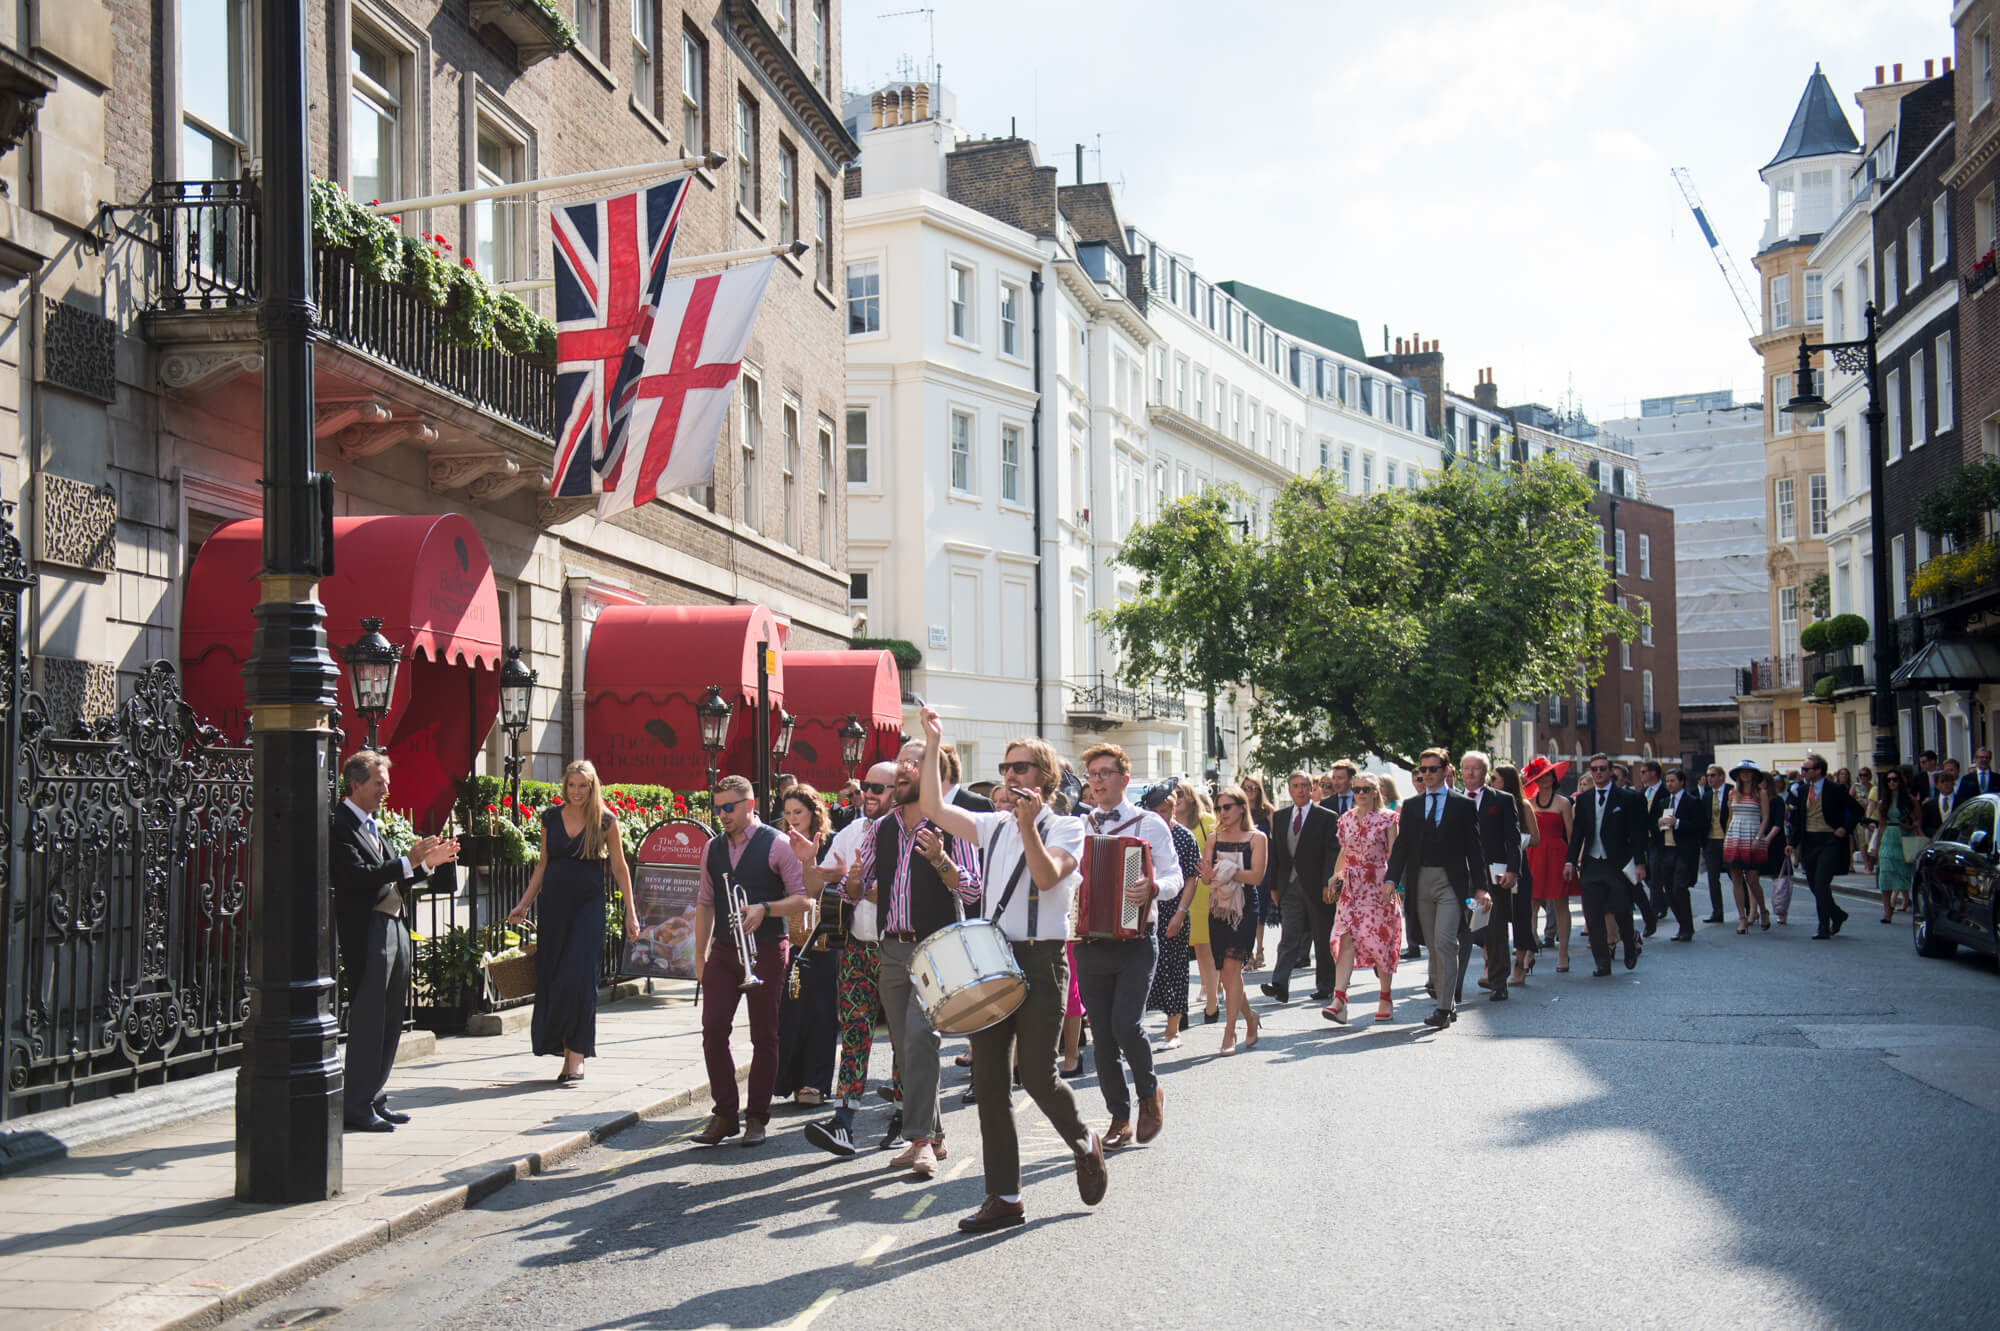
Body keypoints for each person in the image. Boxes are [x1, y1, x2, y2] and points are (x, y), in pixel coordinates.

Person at [915, 709, 1108, 1233]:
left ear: (1044, 777)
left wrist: (1029, 828)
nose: (1011, 777)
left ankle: (1083, 1142)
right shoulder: (994, 824)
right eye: (1006, 768)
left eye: (1021, 768)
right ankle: (1004, 1196)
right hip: (995, 957)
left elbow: (1047, 880)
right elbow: (932, 804)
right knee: (990, 1079)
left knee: (1040, 1077)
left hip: (1042, 960)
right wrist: (934, 743)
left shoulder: (1068, 827)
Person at [855, 742, 983, 1177]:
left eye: (917, 762)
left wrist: (942, 860)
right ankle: (935, 1137)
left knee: (920, 1038)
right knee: (905, 1048)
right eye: (903, 761)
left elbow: (972, 891)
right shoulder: (881, 828)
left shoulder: (950, 826)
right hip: (892, 948)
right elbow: (862, 886)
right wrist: (852, 880)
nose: (905, 767)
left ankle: (921, 1141)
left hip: (937, 949)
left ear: (933, 777)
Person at [333, 750, 458, 1132]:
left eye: (386, 783)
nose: (385, 790)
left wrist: (425, 864)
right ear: (355, 785)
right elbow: (357, 877)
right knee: (370, 1018)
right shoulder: (340, 824)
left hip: (394, 925)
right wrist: (407, 862)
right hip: (368, 930)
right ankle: (355, 1103)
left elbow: (393, 876)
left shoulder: (372, 824)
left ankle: (373, 1096)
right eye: (378, 783)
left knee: (389, 1019)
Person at [692, 775, 813, 1147]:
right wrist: (700, 956)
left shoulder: (777, 845)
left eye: (729, 808)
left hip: (767, 947)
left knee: (764, 1035)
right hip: (726, 951)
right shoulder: (711, 849)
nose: (722, 815)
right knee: (713, 1031)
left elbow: (804, 898)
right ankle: (725, 1113)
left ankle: (757, 1117)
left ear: (749, 805)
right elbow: (705, 903)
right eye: (718, 808)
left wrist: (765, 908)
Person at [1073, 743, 1181, 1150]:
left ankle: (1149, 1094)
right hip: (1088, 941)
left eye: (1105, 773)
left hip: (1136, 939)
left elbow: (1173, 875)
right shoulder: (1080, 826)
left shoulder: (1147, 823)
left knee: (1126, 1025)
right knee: (1101, 1033)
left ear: (1124, 779)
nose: (1097, 781)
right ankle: (1119, 1115)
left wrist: (1152, 888)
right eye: (1093, 774)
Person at [506, 760, 639, 1085]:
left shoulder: (606, 821)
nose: (577, 791)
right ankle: (564, 1049)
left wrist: (631, 911)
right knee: (554, 978)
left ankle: (576, 1057)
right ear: (564, 786)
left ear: (593, 787)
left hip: (587, 908)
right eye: (572, 785)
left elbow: (620, 868)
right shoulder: (550, 818)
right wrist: (524, 904)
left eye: (583, 785)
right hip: (553, 908)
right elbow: (542, 865)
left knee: (579, 979)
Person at [804, 762, 899, 1157]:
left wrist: (879, 892)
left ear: (899, 789)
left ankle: (907, 1115)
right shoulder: (853, 830)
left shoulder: (911, 832)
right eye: (866, 786)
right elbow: (818, 884)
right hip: (858, 948)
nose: (869, 794)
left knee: (904, 1040)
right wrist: (807, 861)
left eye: (879, 787)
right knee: (855, 1035)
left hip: (898, 949)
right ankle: (843, 1121)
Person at [1383, 748, 1490, 1027]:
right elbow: (1402, 846)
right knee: (1432, 945)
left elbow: (1474, 849)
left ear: (1445, 771)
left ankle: (1443, 1007)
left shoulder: (1463, 806)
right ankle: (1448, 1001)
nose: (1426, 774)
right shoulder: (1412, 806)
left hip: (1451, 883)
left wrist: (1481, 888)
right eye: (1423, 770)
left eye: (1432, 769)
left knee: (1445, 942)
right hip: (1420, 882)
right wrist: (1391, 879)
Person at [773, 785, 839, 1108]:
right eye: (787, 814)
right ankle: (792, 1080)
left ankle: (816, 1082)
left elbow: (825, 888)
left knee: (822, 1011)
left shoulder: (829, 842)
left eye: (798, 812)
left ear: (814, 812)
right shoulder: (781, 844)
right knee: (793, 1011)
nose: (792, 819)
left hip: (825, 937)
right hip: (792, 936)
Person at [1187, 786, 1265, 1052]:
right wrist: (1209, 874)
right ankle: (1250, 1017)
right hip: (1218, 906)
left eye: (1228, 807)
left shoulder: (1257, 838)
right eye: (1219, 807)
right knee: (1228, 973)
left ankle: (1229, 1031)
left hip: (1245, 907)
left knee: (1233, 968)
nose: (1223, 812)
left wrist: (1229, 870)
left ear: (1242, 807)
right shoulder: (1214, 837)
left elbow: (1256, 878)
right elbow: (1207, 879)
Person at [1322, 774, 1401, 1024]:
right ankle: (1339, 1000)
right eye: (1357, 790)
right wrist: (1334, 877)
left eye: (1366, 789)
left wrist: (1393, 883)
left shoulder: (1388, 819)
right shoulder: (1345, 819)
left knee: (1380, 941)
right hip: (1352, 888)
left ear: (1376, 791)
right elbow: (1345, 852)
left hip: (1378, 886)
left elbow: (1395, 855)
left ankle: (1385, 997)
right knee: (1345, 938)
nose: (1361, 793)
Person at [1563, 752, 1649, 977]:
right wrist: (1570, 861)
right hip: (1591, 864)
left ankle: (1629, 946)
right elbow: (1578, 835)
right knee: (1593, 916)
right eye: (1594, 769)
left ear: (1610, 771)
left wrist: (1640, 863)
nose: (1598, 773)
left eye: (1602, 768)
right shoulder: (1583, 800)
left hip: (1617, 864)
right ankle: (1602, 962)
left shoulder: (1628, 798)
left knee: (1621, 911)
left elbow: (1638, 834)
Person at [1262, 770, 1340, 1004]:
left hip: (1317, 885)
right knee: (1289, 936)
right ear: (1289, 789)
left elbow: (1332, 852)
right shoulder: (1281, 816)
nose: (1300, 790)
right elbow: (1275, 853)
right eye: (1295, 785)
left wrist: (1329, 881)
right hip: (1289, 885)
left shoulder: (1326, 816)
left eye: (1305, 785)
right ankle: (1280, 984)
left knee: (1321, 935)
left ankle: (1325, 985)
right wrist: (1274, 886)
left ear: (1311, 788)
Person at [1456, 751, 1521, 1004]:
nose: (1470, 773)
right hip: (1462, 876)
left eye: (1476, 769)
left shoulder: (1502, 800)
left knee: (1494, 929)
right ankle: (1454, 986)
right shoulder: (1454, 800)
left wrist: (1513, 870)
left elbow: (1513, 839)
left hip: (1494, 876)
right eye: (1466, 768)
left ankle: (1498, 983)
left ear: (1485, 773)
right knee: (1460, 930)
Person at [1140, 784, 1199, 1051]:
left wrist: (1181, 913)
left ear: (1175, 808)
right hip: (1147, 908)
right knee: (1144, 969)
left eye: (1165, 810)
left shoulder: (1185, 837)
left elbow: (1190, 880)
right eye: (1156, 811)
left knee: (1175, 968)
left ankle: (1172, 1029)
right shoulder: (1145, 830)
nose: (1160, 816)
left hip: (1175, 908)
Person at [1787, 753, 1858, 940]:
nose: (1803, 772)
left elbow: (1857, 810)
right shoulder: (1802, 790)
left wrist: (1845, 828)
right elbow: (1798, 819)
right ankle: (1837, 914)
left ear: (1818, 771)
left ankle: (1823, 927)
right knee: (1813, 885)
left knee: (1821, 883)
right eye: (1802, 769)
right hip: (1809, 842)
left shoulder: (1835, 789)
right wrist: (1792, 843)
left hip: (1829, 841)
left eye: (1806, 769)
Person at [1171, 782, 1220, 1025]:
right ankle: (1179, 1011)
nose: (1176, 798)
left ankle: (1212, 1003)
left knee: (1205, 951)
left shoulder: (1208, 822)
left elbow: (1222, 853)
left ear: (1191, 797)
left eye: (1180, 793)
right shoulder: (1164, 823)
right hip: (1175, 895)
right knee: (1179, 956)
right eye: (1173, 794)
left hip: (1203, 894)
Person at [1522, 757, 1574, 972]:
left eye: (1548, 775)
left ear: (1554, 777)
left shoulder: (1563, 802)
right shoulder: (1529, 803)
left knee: (1561, 904)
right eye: (1540, 777)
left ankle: (1563, 953)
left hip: (1557, 854)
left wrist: (1571, 861)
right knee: (1531, 904)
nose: (1544, 780)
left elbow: (1571, 835)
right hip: (1534, 853)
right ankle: (1530, 950)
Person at [1494, 763, 1540, 987]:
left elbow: (1536, 838)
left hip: (1519, 868)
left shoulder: (1523, 806)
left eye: (1495, 779)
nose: (1491, 783)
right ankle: (1494, 964)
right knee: (1496, 917)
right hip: (1496, 869)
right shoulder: (1491, 804)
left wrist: (1517, 841)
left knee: (1521, 917)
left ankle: (1521, 963)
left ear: (1506, 781)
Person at [1722, 762, 1774, 932]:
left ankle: (1763, 911)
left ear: (1754, 775)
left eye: (1748, 772)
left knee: (1752, 879)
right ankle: (1742, 918)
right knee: (1736, 878)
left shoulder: (1761, 793)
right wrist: (1726, 839)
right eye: (1741, 772)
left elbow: (1765, 818)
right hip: (1734, 835)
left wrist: (1758, 837)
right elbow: (1730, 816)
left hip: (1752, 835)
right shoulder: (1732, 793)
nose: (1744, 774)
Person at [1656, 767, 1706, 941]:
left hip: (1684, 851)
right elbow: (1658, 828)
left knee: (1679, 888)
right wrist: (1660, 823)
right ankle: (1683, 924)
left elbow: (1699, 826)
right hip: (1667, 850)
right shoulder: (1663, 802)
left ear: (1682, 781)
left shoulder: (1692, 801)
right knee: (1668, 889)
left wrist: (1677, 823)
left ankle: (1687, 927)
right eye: (1667, 781)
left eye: (1673, 781)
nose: (1669, 784)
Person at [1240, 775, 1279, 968]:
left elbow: (1276, 837)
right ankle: (1247, 953)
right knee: (1245, 908)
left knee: (1260, 908)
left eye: (1253, 788)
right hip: (1243, 863)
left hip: (1264, 863)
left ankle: (1260, 949)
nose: (1249, 792)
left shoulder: (1267, 811)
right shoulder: (1238, 811)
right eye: (1246, 788)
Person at [1872, 767, 1918, 923]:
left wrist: (1908, 826)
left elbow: (1918, 821)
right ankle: (1887, 912)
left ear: (1900, 781)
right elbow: (1881, 826)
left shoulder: (1910, 800)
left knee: (1904, 874)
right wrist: (1877, 847)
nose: (1892, 782)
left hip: (1904, 837)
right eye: (1888, 780)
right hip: (1888, 838)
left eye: (1895, 779)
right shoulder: (1883, 802)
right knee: (1885, 875)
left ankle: (1911, 904)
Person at [1696, 764, 1730, 923]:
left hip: (1728, 840)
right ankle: (1717, 912)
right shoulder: (1707, 796)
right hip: (1711, 841)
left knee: (1735, 875)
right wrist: (1702, 844)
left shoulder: (1732, 791)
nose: (1709, 778)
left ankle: (1748, 908)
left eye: (1713, 775)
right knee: (1712, 878)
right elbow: (1703, 820)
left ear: (1722, 777)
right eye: (1708, 775)